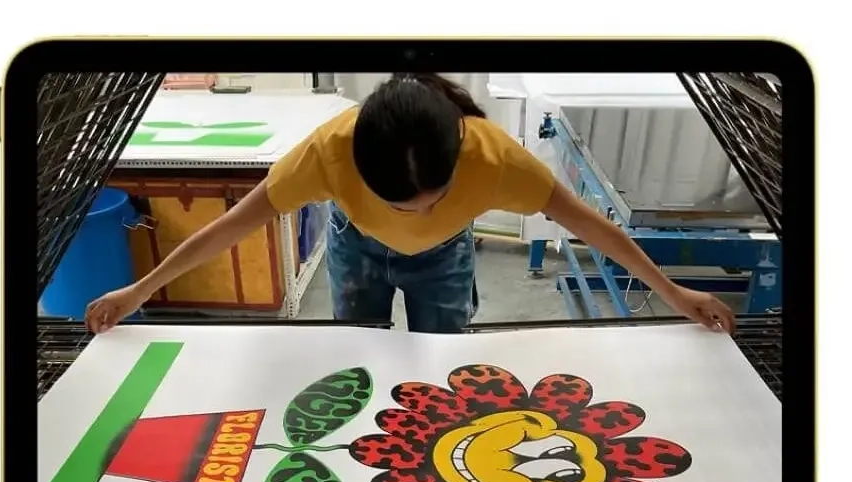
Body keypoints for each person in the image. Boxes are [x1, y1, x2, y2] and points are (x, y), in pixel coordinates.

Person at [86, 73, 736, 335]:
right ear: (357, 168)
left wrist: (673, 292)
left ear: (459, 156)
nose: (419, 212)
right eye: (401, 203)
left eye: (436, 198)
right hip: (358, 252)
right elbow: (230, 226)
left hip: (445, 261)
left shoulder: (494, 158)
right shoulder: (327, 152)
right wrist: (140, 289)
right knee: (357, 357)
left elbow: (592, 226)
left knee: (442, 364)